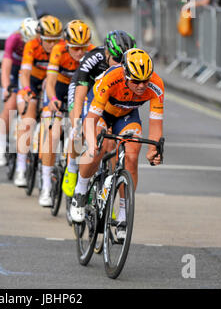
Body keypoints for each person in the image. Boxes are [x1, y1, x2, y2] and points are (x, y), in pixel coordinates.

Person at [70, 48, 164, 239]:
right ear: (126, 74)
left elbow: (156, 124)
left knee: (132, 154)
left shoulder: (156, 85)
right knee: (99, 148)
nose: (141, 85)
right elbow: (91, 119)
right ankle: (80, 191)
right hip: (102, 112)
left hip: (128, 115)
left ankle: (123, 214)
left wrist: (153, 150)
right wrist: (91, 143)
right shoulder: (111, 78)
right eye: (136, 81)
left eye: (145, 80)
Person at [62, 30, 137, 199]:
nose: (121, 65)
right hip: (86, 88)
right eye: (117, 60)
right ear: (107, 53)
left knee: (109, 144)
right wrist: (77, 121)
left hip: (108, 97)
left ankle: (104, 193)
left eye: (124, 61)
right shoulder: (93, 58)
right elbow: (80, 91)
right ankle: (72, 167)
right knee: (80, 128)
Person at [37, 20, 95, 207]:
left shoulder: (93, 53)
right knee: (53, 133)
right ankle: (46, 185)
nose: (80, 53)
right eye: (75, 48)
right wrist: (53, 100)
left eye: (83, 48)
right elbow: (51, 83)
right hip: (61, 89)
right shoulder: (58, 50)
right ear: (67, 44)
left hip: (82, 90)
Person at [13, 15, 63, 187]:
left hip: (52, 83)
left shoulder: (61, 49)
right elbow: (25, 73)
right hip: (32, 81)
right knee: (28, 120)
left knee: (51, 120)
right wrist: (27, 90)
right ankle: (20, 166)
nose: (52, 44)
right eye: (48, 40)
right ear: (40, 37)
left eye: (56, 40)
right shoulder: (31, 45)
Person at [0, 17, 38, 167]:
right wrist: (6, 87)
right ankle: (0, 147)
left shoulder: (37, 43)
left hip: (30, 72)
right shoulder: (14, 39)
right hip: (14, 70)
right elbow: (5, 65)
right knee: (10, 107)